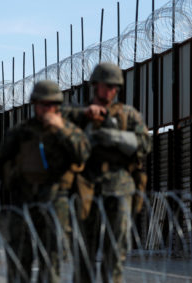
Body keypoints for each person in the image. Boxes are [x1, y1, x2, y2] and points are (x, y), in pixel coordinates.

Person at [0, 80, 90, 283]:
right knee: (19, 263)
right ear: (35, 104)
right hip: (23, 202)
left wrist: (62, 130)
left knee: (51, 266)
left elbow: (83, 155)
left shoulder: (69, 131)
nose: (47, 109)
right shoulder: (21, 132)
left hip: (56, 203)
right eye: (43, 104)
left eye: (52, 104)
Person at [63, 62, 151, 283]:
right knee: (84, 253)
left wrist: (118, 137)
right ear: (96, 86)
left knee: (115, 252)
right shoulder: (77, 113)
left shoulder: (128, 115)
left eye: (115, 87)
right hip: (85, 187)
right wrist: (85, 116)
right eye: (107, 85)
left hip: (119, 186)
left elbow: (145, 143)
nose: (111, 91)